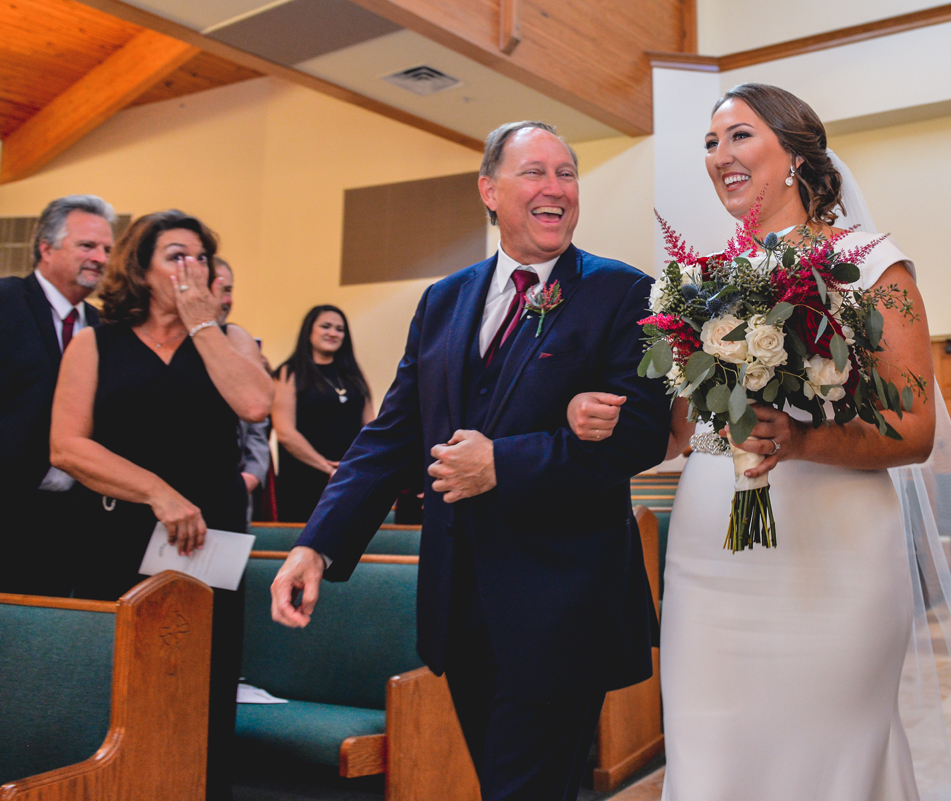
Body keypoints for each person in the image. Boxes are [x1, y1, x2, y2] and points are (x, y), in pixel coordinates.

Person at [568, 84, 951, 800]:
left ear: (794, 151)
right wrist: (597, 415)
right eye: (710, 142)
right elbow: (679, 429)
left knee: (825, 755)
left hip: (835, 554)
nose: (720, 155)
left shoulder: (872, 265)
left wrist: (801, 438)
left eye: (739, 135)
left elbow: (914, 429)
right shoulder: (702, 283)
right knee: (711, 747)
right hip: (711, 556)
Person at [268, 120, 671, 801]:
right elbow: (392, 435)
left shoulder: (621, 293)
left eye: (566, 173)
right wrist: (316, 544)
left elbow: (639, 434)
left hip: (562, 604)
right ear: (489, 189)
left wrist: (501, 464)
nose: (555, 188)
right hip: (460, 604)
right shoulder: (444, 299)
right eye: (534, 172)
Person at [49, 210, 273, 801]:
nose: (190, 267)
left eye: (199, 256)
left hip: (210, 540)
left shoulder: (231, 338)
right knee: (119, 684)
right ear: (140, 269)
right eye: (175, 255)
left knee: (201, 679)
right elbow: (68, 445)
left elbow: (255, 405)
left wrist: (204, 327)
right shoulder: (96, 342)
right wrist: (156, 491)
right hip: (115, 533)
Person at [0, 195, 114, 596]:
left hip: (74, 519)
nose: (100, 258)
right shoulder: (6, 302)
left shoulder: (104, 327)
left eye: (106, 249)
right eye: (87, 246)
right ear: (45, 248)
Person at [271, 305, 373, 523]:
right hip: (302, 480)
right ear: (309, 331)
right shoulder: (288, 372)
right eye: (325, 326)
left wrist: (355, 467)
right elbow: (285, 432)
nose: (333, 333)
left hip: (348, 478)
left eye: (339, 329)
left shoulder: (353, 375)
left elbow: (370, 426)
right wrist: (325, 467)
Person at [214, 257, 272, 529]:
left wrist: (250, 476)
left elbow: (258, 428)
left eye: (228, 290)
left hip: (233, 500)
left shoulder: (240, 344)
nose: (225, 300)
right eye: (217, 289)